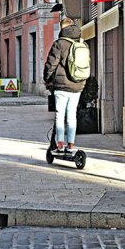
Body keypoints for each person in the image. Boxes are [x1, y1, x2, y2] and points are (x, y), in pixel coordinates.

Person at [43, 17, 87, 154]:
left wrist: (47, 79)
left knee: (60, 115)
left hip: (61, 87)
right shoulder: (82, 44)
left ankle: (60, 144)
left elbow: (51, 64)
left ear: (62, 28)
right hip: (77, 85)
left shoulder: (59, 44)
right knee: (72, 115)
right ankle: (71, 145)